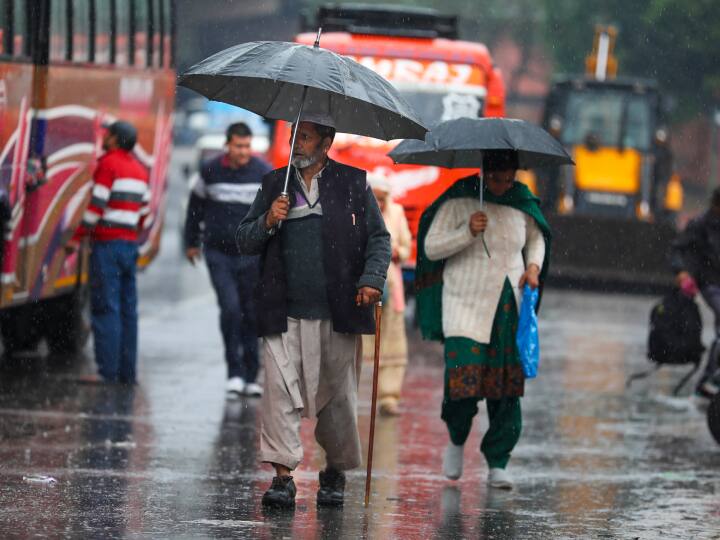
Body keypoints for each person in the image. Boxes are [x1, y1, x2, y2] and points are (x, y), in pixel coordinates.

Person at [236, 114, 391, 508]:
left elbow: (379, 238)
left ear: (327, 142)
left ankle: (335, 471)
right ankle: (283, 477)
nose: (296, 143)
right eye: (294, 135)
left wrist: (372, 279)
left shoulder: (354, 184)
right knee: (278, 394)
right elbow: (244, 240)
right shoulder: (274, 184)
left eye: (304, 137)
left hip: (337, 314)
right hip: (282, 312)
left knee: (337, 399)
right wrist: (269, 220)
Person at [416, 150, 551, 490]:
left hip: (508, 305)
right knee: (462, 382)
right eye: (496, 179)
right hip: (464, 303)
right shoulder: (460, 199)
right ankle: (457, 439)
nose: (503, 186)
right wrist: (466, 231)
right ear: (483, 172)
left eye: (509, 179)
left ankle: (498, 462)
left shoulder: (522, 200)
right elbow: (431, 248)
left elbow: (535, 239)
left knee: (506, 389)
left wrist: (533, 266)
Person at [184, 122, 272, 398]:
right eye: (238, 146)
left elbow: (274, 212)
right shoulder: (210, 170)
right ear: (228, 145)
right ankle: (233, 373)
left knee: (251, 313)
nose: (243, 151)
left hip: (252, 254)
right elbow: (194, 207)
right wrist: (191, 243)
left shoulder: (263, 172)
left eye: (247, 146)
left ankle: (250, 375)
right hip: (218, 252)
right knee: (231, 309)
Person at [65, 120, 150, 384]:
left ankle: (107, 372)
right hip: (129, 246)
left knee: (105, 307)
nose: (104, 137)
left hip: (107, 246)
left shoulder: (108, 164)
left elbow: (97, 205)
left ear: (115, 139)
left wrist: (77, 238)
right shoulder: (139, 170)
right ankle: (127, 372)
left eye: (107, 133)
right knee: (128, 310)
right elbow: (144, 215)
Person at [362, 172, 412, 416]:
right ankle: (354, 395)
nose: (380, 204)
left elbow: (406, 246)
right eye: (376, 198)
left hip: (391, 284)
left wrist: (395, 252)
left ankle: (389, 396)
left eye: (383, 199)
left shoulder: (398, 213)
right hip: (363, 285)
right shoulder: (357, 212)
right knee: (358, 341)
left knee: (391, 342)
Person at [671, 187, 720, 399]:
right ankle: (709, 380)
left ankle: (709, 380)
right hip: (710, 282)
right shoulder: (700, 224)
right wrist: (681, 272)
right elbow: (677, 249)